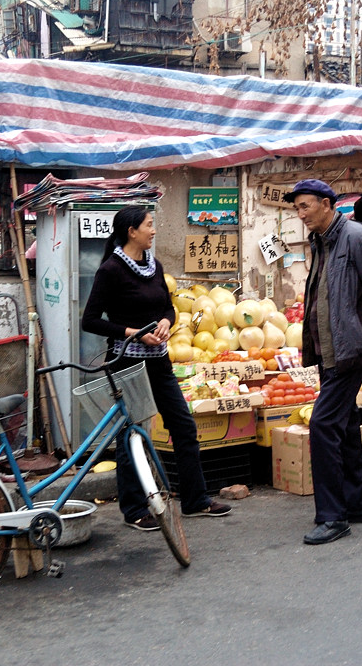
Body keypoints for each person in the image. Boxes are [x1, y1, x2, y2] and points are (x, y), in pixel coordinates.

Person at [82, 205, 232, 530]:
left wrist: (166, 321)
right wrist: (132, 333)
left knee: (183, 425)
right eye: (149, 225)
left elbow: (168, 306)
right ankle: (135, 509)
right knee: (132, 434)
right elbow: (90, 320)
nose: (153, 230)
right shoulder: (110, 270)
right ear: (131, 231)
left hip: (159, 360)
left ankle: (195, 500)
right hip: (127, 362)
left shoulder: (154, 265)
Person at [284, 179, 362, 545]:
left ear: (326, 203)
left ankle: (333, 517)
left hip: (349, 349)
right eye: (297, 208)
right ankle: (355, 505)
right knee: (346, 425)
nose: (300, 214)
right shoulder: (322, 241)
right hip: (329, 348)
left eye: (305, 206)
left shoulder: (357, 238)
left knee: (322, 425)